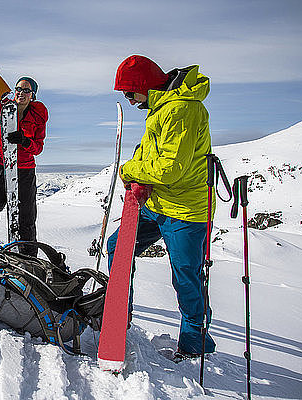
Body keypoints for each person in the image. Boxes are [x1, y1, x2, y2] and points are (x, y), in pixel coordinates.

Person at [106, 55, 216, 358]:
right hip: (156, 202)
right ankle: (117, 316)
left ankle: (195, 342)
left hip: (185, 209)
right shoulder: (161, 107)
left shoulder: (182, 109)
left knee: (186, 275)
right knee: (118, 247)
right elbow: (146, 153)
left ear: (143, 85)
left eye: (129, 93)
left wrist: (129, 172)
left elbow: (171, 168)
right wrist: (138, 170)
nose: (128, 100)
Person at [0, 77, 48, 256]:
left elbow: (38, 148)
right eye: (18, 89)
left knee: (26, 221)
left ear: (33, 95)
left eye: (26, 90)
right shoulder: (4, 107)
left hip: (25, 172)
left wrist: (24, 141)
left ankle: (28, 261)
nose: (21, 93)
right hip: (1, 169)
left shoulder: (38, 116)